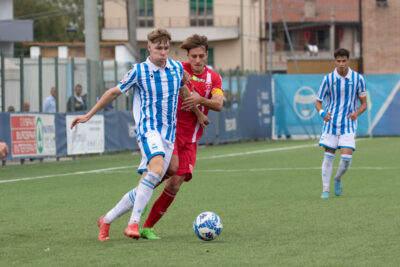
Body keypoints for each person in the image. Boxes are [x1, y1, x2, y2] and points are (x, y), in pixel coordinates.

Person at [70, 28, 202, 242]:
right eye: (158, 48)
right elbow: (113, 92)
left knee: (154, 178)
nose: (163, 52)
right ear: (149, 48)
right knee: (157, 168)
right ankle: (133, 223)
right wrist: (88, 115)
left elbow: (184, 88)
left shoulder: (176, 68)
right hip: (148, 130)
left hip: (169, 134)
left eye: (166, 48)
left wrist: (198, 111)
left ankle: (107, 219)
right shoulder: (138, 71)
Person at [140, 34, 224, 239]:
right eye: (193, 56)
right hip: (170, 133)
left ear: (206, 55)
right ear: (187, 55)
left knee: (176, 183)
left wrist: (201, 99)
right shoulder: (176, 69)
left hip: (192, 138)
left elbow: (218, 104)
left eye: (201, 56)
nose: (197, 60)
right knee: (168, 169)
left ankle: (147, 227)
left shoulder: (214, 78)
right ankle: (139, 198)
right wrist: (198, 107)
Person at [315, 48, 367, 199]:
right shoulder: (328, 79)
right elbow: (318, 102)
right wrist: (322, 113)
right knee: (328, 156)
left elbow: (364, 103)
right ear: (335, 61)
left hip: (348, 124)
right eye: (338, 61)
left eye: (344, 61)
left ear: (348, 61)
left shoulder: (358, 79)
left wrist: (356, 113)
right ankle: (325, 190)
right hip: (331, 124)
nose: (341, 64)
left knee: (346, 159)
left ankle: (338, 178)